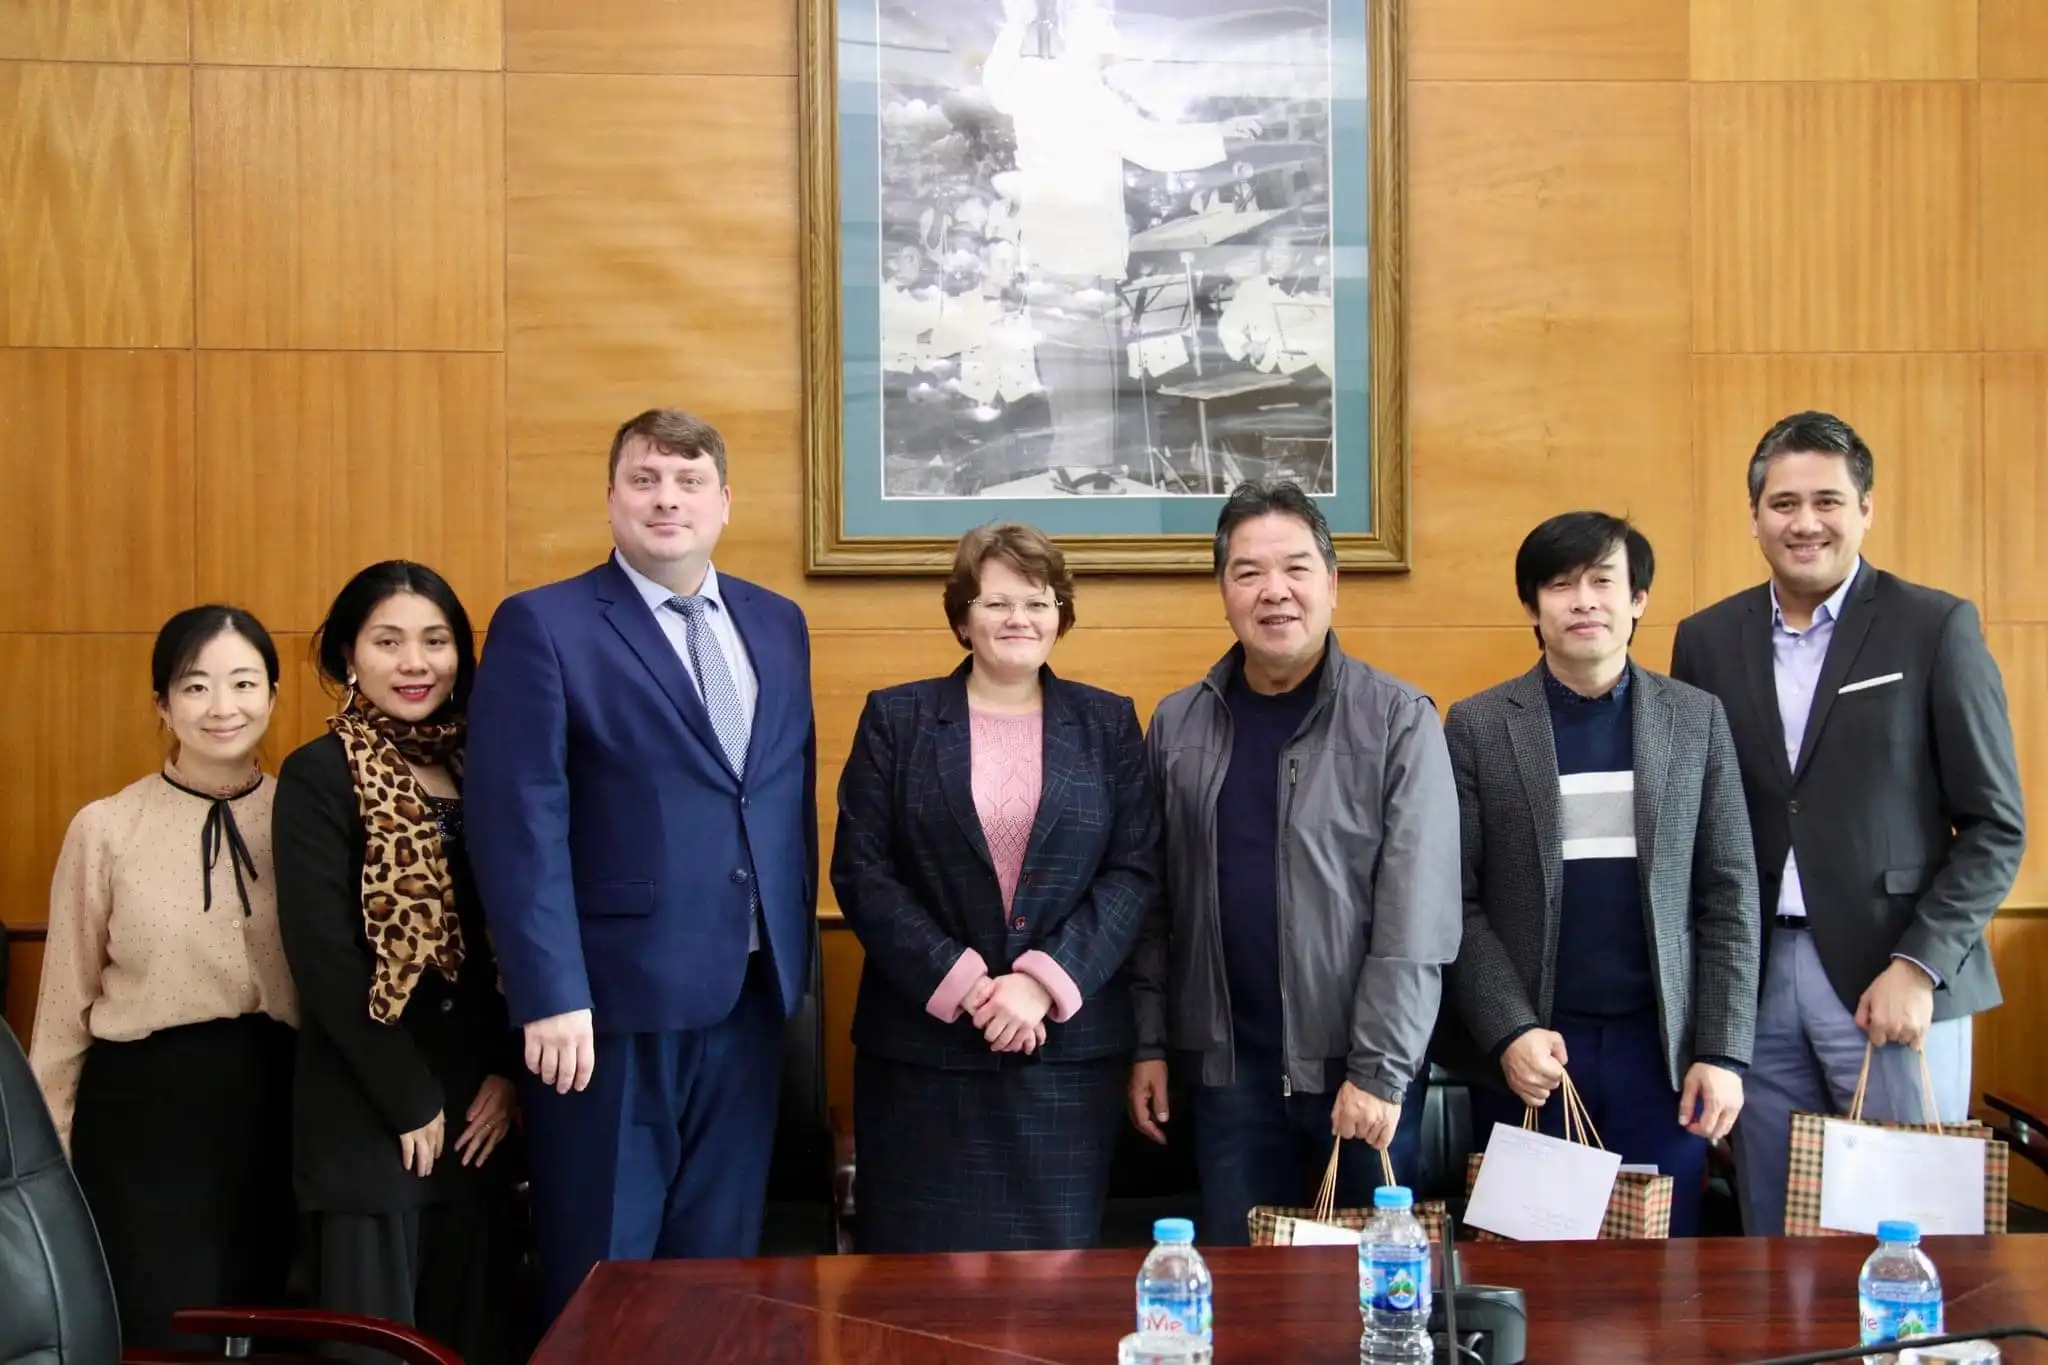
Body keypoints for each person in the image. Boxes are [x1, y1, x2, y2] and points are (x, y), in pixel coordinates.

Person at [465, 408, 817, 1319]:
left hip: (751, 995)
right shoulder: (544, 624)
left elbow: (780, 799)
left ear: (724, 501)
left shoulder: (777, 623)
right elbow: (518, 822)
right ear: (612, 497)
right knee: (605, 1277)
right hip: (606, 1011)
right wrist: (548, 993)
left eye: (689, 480)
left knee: (719, 1277)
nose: (667, 499)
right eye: (645, 479)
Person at [1670, 411, 2026, 1237]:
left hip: (1892, 977)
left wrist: (1920, 964)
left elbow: (1995, 825)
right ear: (1754, 516)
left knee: (1906, 1229)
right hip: (1754, 980)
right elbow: (1698, 822)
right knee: (1773, 1227)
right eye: (1783, 503)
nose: (1805, 522)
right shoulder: (1706, 640)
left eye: (1827, 500)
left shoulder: (1934, 626)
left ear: (1866, 508)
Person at [1128, 481, 1460, 1245]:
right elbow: (1152, 903)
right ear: (1224, 593)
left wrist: (1379, 1071)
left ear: (1332, 584)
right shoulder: (1177, 724)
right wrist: (1147, 1043)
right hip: (1226, 1079)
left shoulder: (1398, 719)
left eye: (1296, 568)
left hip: (1358, 1074)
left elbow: (1418, 913)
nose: (1273, 590)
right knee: (1240, 1289)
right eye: (1248, 572)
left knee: (1369, 1291)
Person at [832, 523, 1161, 1253]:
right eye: (998, 602)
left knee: (1052, 1289)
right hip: (924, 1058)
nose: (1019, 618)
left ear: (1060, 617)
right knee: (916, 1288)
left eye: (1038, 602)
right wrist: (968, 983)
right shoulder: (897, 718)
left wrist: (1041, 982)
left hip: (1061, 1060)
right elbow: (861, 869)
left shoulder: (1108, 723)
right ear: (962, 618)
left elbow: (1135, 871)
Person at [1443, 512, 1760, 1238]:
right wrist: (1509, 1029)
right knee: (1529, 1262)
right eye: (1560, 585)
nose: (1583, 600)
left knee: (1662, 1268)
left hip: (1664, 1055)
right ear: (1533, 608)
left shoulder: (1696, 720)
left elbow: (1730, 895)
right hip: (1533, 1055)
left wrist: (1721, 1050)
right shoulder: (1479, 726)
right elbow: (1455, 900)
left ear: (1638, 599)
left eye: (1602, 581)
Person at [273, 562, 525, 1363]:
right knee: (377, 1348)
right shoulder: (319, 774)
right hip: (371, 1113)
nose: (415, 662)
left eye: (435, 641)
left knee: (476, 1337)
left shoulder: (484, 766)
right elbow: (323, 954)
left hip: (478, 1117)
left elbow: (518, 930)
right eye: (388, 641)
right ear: (349, 655)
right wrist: (407, 1096)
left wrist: (507, 1071)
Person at [30, 606, 298, 1349]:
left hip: (280, 1100)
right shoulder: (107, 827)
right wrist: (49, 1150)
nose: (222, 707)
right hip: (142, 1113)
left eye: (243, 683)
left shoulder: (306, 815)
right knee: (158, 1327)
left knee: (272, 1323)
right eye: (196, 686)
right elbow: (63, 1003)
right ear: (162, 703)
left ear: (272, 695)